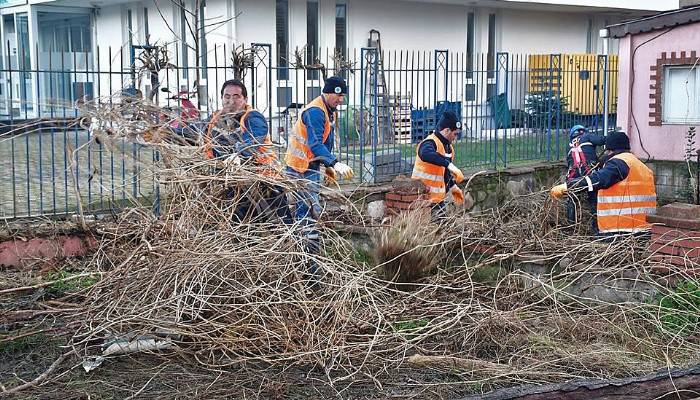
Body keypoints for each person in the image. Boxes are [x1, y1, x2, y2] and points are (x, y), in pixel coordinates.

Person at [284, 76, 355, 275]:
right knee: (307, 214)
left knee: (306, 212)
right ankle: (309, 266)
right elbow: (315, 145)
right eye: (339, 95)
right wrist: (335, 163)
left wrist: (327, 165)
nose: (341, 100)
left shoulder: (327, 110)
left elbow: (326, 140)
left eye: (343, 96)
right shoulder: (315, 111)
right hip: (300, 169)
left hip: (309, 166)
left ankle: (305, 259)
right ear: (329, 92)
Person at [204, 79, 292, 224]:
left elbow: (253, 139)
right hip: (236, 182)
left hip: (265, 181)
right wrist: (165, 132)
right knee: (240, 225)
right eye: (227, 96)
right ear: (222, 98)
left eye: (236, 96)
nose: (231, 101)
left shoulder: (253, 117)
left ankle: (293, 246)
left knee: (280, 225)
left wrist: (238, 154)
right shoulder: (215, 119)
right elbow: (193, 132)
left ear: (245, 99)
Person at [550, 131, 657, 237]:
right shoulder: (642, 167)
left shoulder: (619, 163)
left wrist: (567, 186)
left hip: (620, 231)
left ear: (610, 150)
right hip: (644, 230)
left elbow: (598, 179)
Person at [411, 111, 465, 218]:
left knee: (441, 228)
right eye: (455, 134)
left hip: (437, 198)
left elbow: (443, 172)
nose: (455, 137)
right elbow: (425, 154)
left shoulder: (448, 148)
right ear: (447, 130)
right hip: (421, 197)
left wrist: (453, 187)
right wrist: (449, 165)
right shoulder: (430, 142)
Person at [565, 124, 606, 226]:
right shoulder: (587, 136)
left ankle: (571, 226)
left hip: (573, 177)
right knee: (594, 200)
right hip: (590, 174)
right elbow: (602, 140)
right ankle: (596, 226)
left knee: (573, 201)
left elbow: (569, 162)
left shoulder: (568, 146)